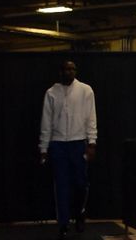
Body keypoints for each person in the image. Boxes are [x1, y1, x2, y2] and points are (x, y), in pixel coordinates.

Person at [39, 60, 97, 240]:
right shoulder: (51, 93)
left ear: (76, 71)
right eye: (66, 69)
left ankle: (80, 212)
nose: (70, 72)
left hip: (78, 142)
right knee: (61, 185)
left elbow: (91, 117)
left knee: (80, 183)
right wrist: (43, 147)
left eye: (73, 69)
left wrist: (92, 142)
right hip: (58, 144)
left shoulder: (86, 90)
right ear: (61, 71)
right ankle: (63, 222)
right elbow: (46, 121)